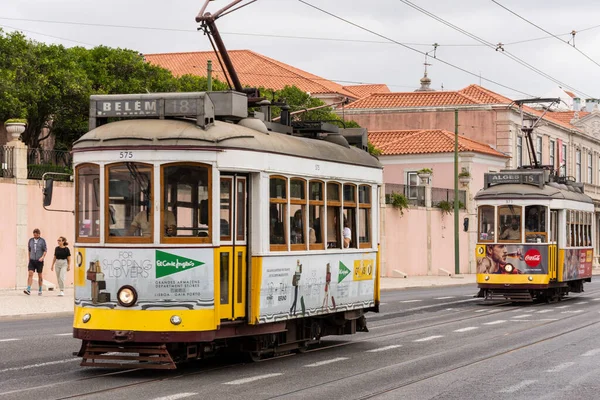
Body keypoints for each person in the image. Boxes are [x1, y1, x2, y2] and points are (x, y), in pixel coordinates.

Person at [25, 228, 47, 296]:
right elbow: (29, 250)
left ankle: (40, 289)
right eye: (34, 235)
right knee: (30, 273)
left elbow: (45, 250)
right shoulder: (30, 240)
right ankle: (28, 289)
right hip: (32, 260)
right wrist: (29, 258)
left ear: (39, 234)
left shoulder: (42, 241)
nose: (35, 236)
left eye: (36, 235)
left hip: (39, 260)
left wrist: (42, 257)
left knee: (39, 275)